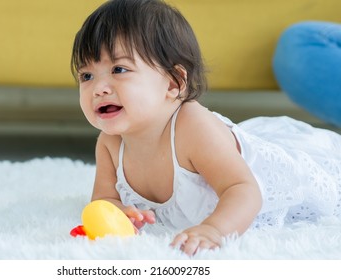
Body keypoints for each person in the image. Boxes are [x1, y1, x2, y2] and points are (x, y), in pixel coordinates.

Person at [71, 0, 341, 256]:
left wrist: (214, 230)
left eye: (119, 69)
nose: (99, 88)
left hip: (278, 178)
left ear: (173, 83)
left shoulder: (192, 128)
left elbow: (243, 189)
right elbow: (104, 200)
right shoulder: (110, 142)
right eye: (87, 76)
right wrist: (119, 214)